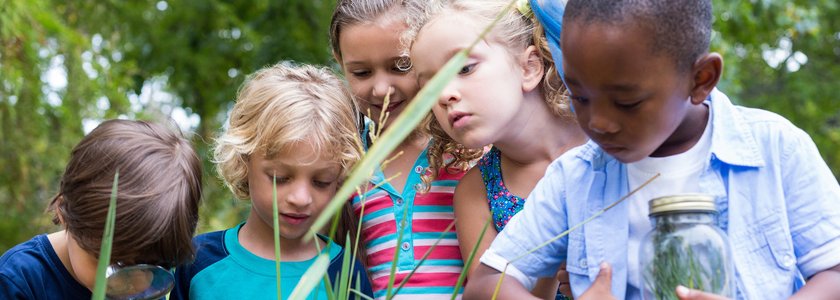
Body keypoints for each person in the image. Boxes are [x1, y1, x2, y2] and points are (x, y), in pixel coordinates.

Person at [464, 0, 840, 299]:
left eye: (626, 103)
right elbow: (485, 284)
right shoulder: (574, 176)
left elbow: (833, 272)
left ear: (701, 79)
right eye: (580, 97)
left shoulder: (776, 149)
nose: (598, 122)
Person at [405, 0, 587, 298]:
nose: (445, 94)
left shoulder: (609, 144)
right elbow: (488, 292)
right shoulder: (477, 192)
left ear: (528, 67)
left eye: (464, 68)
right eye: (430, 86)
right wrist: (551, 272)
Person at [170, 63, 372, 299]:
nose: (300, 198)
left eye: (321, 181)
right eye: (280, 178)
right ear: (244, 162)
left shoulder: (345, 274)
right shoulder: (199, 262)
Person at [330, 1, 481, 298]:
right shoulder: (343, 161)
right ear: (340, 61)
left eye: (400, 66)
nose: (381, 89)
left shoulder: (472, 148)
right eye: (361, 72)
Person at [0, 119, 203, 300]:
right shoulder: (18, 280)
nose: (132, 283)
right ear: (64, 211)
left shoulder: (145, 288)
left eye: (151, 265)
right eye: (114, 263)